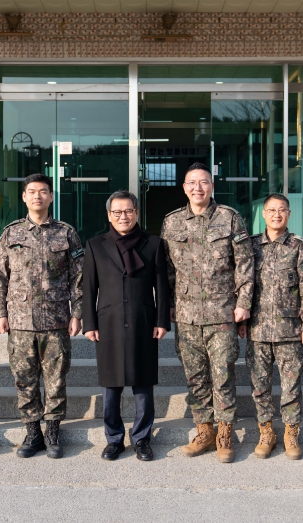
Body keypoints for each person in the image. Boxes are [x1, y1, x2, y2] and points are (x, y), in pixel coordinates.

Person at [160, 162, 254, 463]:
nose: (197, 188)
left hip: (222, 313)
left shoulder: (229, 218)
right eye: (192, 182)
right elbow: (167, 269)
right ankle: (205, 432)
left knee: (223, 375)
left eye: (203, 182)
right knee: (196, 377)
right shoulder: (172, 222)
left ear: (212, 186)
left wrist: (244, 303)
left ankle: (225, 435)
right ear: (184, 187)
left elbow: (245, 263)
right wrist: (169, 304)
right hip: (186, 315)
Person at [0, 174, 83, 459]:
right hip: (20, 321)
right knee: (24, 379)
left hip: (56, 320)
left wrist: (77, 312)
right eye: (31, 191)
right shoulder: (11, 233)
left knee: (56, 379)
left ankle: (53, 431)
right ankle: (32, 432)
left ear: (51, 196)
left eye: (43, 191)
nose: (37, 196)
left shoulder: (66, 233)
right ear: (24, 197)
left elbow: (78, 277)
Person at [82, 190, 170, 461]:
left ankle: (142, 438)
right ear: (109, 215)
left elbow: (162, 286)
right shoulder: (95, 245)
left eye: (128, 211)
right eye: (117, 212)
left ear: (136, 213)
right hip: (108, 322)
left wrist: (162, 320)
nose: (123, 216)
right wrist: (89, 322)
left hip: (143, 321)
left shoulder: (153, 243)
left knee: (143, 385)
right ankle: (114, 439)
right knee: (111, 386)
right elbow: (88, 288)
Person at [237, 194, 303, 460]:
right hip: (257, 330)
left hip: (290, 331)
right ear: (263, 214)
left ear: (289, 214)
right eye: (271, 210)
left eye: (282, 210)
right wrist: (243, 321)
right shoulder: (250, 246)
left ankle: (291, 433)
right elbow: (242, 284)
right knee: (259, 386)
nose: (276, 215)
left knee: (291, 386)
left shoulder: (300, 246)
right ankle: (266, 433)